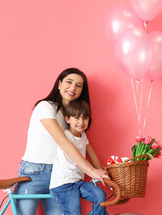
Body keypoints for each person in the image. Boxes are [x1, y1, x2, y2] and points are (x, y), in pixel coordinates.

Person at [15, 68, 109, 215]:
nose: (73, 88)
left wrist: (102, 172)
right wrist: (91, 171)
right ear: (59, 84)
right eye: (69, 82)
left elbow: (87, 146)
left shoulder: (73, 118)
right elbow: (64, 143)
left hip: (60, 176)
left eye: (79, 85)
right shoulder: (45, 107)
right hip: (34, 173)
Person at [50, 100, 107, 215]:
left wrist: (101, 171)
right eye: (76, 118)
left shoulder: (83, 135)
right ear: (67, 119)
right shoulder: (66, 136)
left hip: (77, 182)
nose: (81, 122)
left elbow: (92, 154)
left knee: (100, 196)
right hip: (63, 184)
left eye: (85, 118)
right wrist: (93, 171)